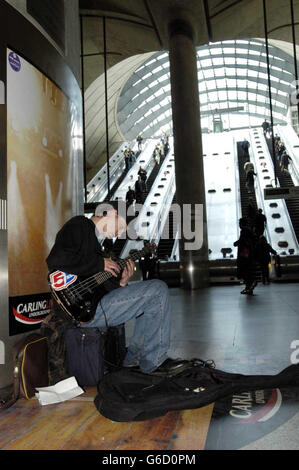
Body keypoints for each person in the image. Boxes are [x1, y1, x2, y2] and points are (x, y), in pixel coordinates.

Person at [45, 202, 189, 377]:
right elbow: (55, 259)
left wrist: (121, 283)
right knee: (158, 290)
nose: (119, 233)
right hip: (77, 307)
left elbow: (96, 288)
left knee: (150, 299)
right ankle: (153, 362)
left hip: (91, 307)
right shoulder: (79, 225)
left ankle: (133, 360)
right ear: (112, 213)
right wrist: (99, 263)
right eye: (121, 227)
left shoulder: (96, 244)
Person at [234, 217, 257, 295]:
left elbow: (242, 241)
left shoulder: (244, 230)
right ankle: (248, 288)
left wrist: (236, 243)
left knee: (244, 270)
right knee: (247, 271)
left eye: (239, 223)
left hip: (244, 254)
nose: (239, 225)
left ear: (241, 224)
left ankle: (250, 284)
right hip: (249, 254)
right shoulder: (250, 231)